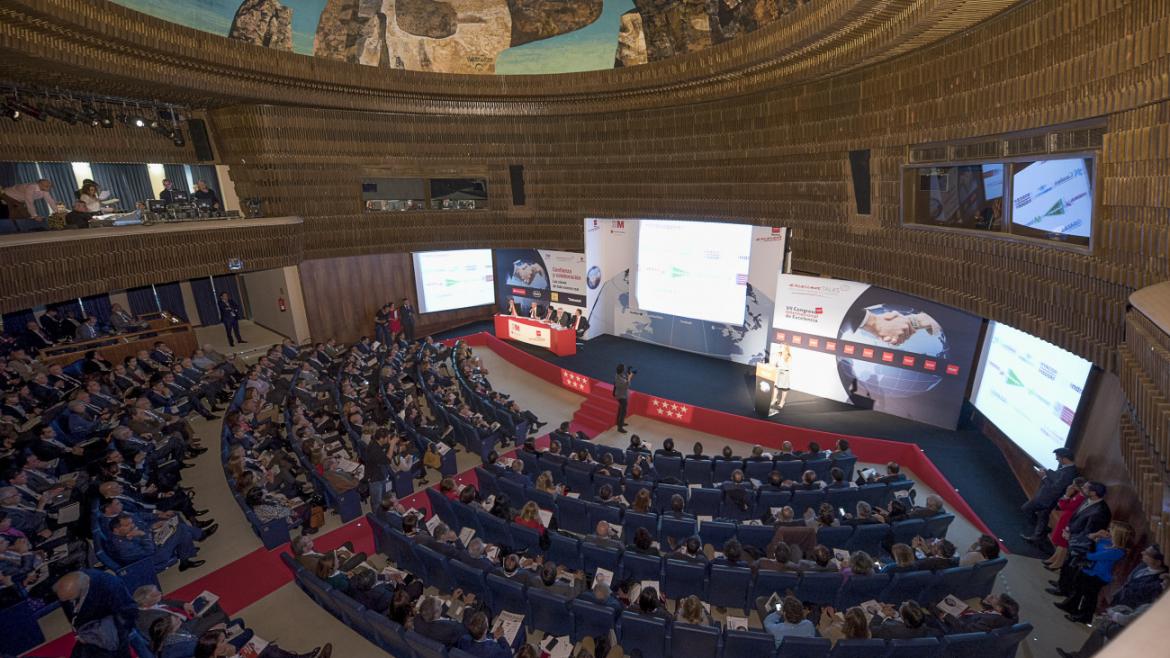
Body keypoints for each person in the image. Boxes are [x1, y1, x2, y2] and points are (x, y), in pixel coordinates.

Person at [1057, 521, 1132, 623]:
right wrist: (1096, 536)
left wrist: (1085, 548)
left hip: (1098, 576)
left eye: (1112, 530)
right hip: (1089, 570)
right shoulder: (1108, 541)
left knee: (1089, 597)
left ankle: (1084, 617)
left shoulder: (1117, 551)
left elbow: (1092, 556)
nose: (1109, 530)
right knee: (1078, 589)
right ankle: (1070, 606)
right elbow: (1092, 542)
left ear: (1118, 535)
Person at [54, 570, 139, 658]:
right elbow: (72, 613)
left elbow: (129, 611)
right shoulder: (67, 587)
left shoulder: (110, 585)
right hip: (88, 634)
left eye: (70, 598)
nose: (69, 601)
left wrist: (113, 634)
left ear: (81, 589)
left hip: (111, 635)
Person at [1021, 447, 1079, 543]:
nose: (1056, 459)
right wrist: (1047, 473)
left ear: (1064, 458)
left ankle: (1041, 531)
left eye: (1058, 458)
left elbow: (1055, 489)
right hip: (1048, 498)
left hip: (1047, 499)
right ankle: (1038, 535)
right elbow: (1056, 480)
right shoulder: (1067, 469)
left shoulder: (1069, 473)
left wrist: (1044, 477)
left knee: (1026, 508)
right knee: (1043, 515)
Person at [194, 627, 329, 658]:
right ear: (214, 650)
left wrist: (233, 648)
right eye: (223, 641)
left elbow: (248, 632)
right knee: (270, 651)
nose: (226, 642)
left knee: (269, 649)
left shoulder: (223, 649)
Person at [1046, 478, 1088, 570]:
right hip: (1065, 518)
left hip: (1069, 521)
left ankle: (1058, 563)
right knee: (1060, 542)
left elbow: (1064, 506)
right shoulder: (1078, 494)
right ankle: (1054, 558)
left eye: (1074, 485)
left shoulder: (1081, 497)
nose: (1072, 486)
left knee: (1063, 543)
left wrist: (1067, 494)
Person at [613, 364, 632, 433]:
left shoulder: (619, 375)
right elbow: (627, 384)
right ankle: (620, 428)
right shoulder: (619, 379)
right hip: (621, 396)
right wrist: (630, 377)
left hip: (622, 395)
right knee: (623, 412)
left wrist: (628, 372)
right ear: (621, 370)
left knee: (620, 409)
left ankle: (619, 422)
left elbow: (625, 378)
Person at [774, 344, 792, 409]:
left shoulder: (788, 356)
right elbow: (776, 364)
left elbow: (787, 367)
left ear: (785, 348)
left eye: (782, 347)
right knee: (776, 387)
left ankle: (782, 402)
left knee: (784, 389)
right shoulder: (778, 354)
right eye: (780, 346)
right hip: (778, 372)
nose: (780, 347)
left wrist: (781, 365)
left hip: (784, 373)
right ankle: (774, 399)